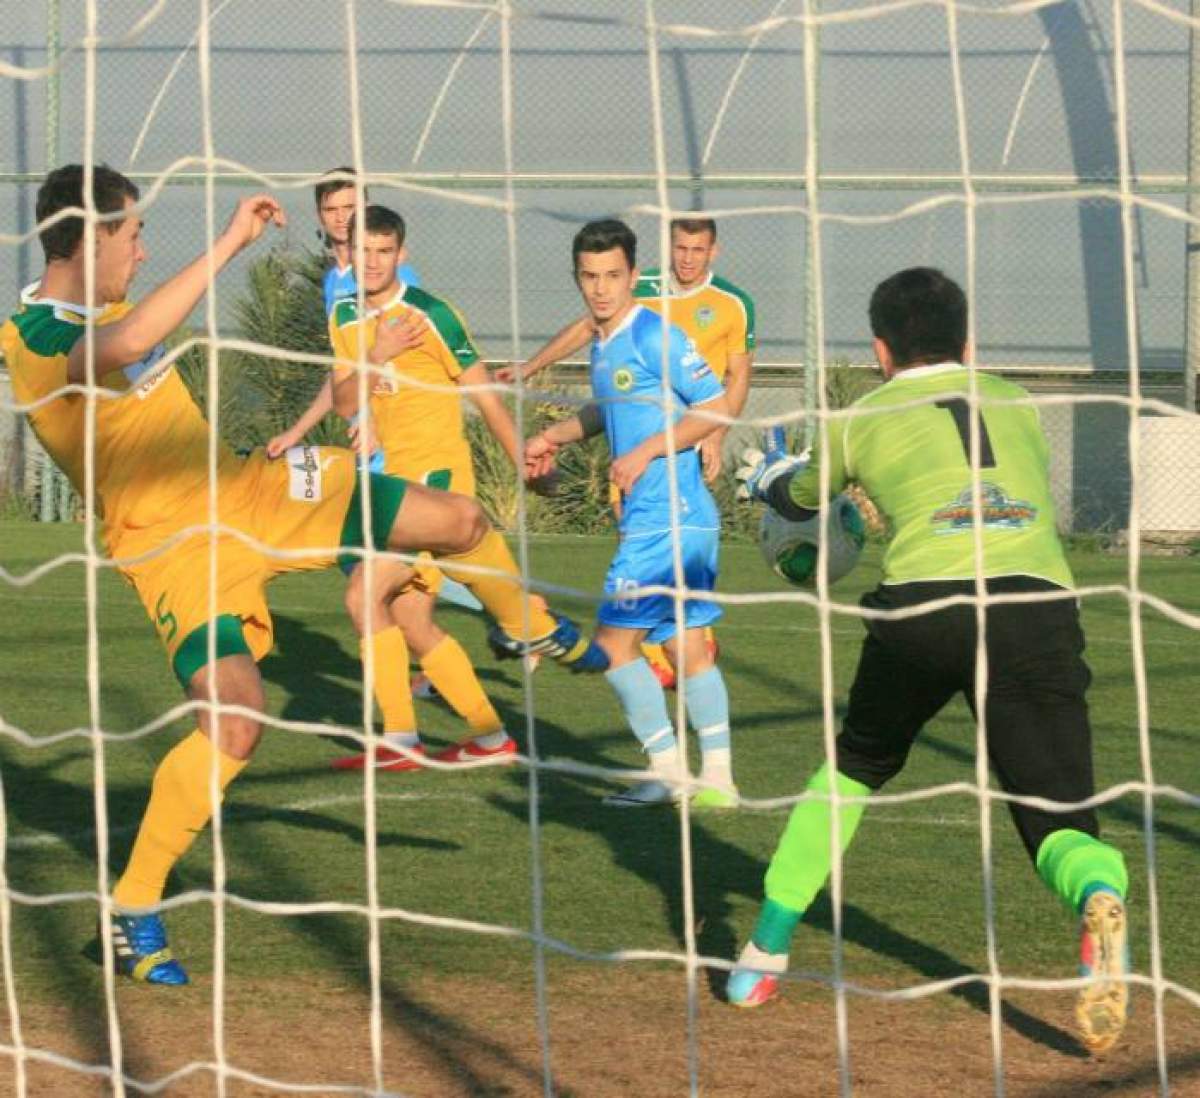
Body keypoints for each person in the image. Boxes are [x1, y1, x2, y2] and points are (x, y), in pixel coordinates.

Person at [0, 164, 528, 984]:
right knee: (238, 725)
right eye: (134, 235)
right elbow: (130, 345)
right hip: (174, 548)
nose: (141, 253)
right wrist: (232, 242)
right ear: (95, 236)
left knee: (458, 519)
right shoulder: (32, 337)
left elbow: (133, 332)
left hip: (251, 489)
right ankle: (135, 909)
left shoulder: (111, 305)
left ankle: (537, 635)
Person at [728, 267, 1130, 1055]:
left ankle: (760, 955)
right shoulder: (1014, 400)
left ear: (880, 350)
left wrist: (775, 486)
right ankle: (1100, 892)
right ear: (968, 340)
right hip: (1034, 605)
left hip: (925, 606)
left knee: (854, 768)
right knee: (1053, 808)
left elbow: (804, 501)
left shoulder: (859, 413)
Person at [326, 204, 607, 771]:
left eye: (384, 251)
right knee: (409, 618)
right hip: (388, 485)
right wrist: (376, 357)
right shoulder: (344, 318)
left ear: (402, 255)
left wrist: (527, 463)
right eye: (363, 251)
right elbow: (343, 402)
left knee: (362, 597)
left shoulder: (431, 315)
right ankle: (488, 734)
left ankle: (407, 734)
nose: (373, 262)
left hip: (435, 481)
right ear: (346, 253)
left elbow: (483, 396)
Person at [523, 219, 737, 808]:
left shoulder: (653, 335)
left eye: (613, 276)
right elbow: (606, 409)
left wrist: (643, 452)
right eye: (590, 277)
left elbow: (715, 410)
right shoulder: (604, 342)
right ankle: (718, 777)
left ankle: (667, 771)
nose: (601, 288)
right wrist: (558, 437)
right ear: (578, 278)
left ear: (634, 276)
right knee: (685, 648)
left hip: (664, 518)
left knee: (613, 649)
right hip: (678, 519)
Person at [502, 217, 754, 688]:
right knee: (688, 647)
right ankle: (711, 760)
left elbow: (730, 385)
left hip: (674, 473)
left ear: (713, 252)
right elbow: (607, 394)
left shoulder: (721, 308)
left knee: (613, 649)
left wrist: (710, 436)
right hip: (642, 482)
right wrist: (546, 409)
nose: (687, 257)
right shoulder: (611, 329)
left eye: (697, 249)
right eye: (680, 247)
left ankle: (544, 628)